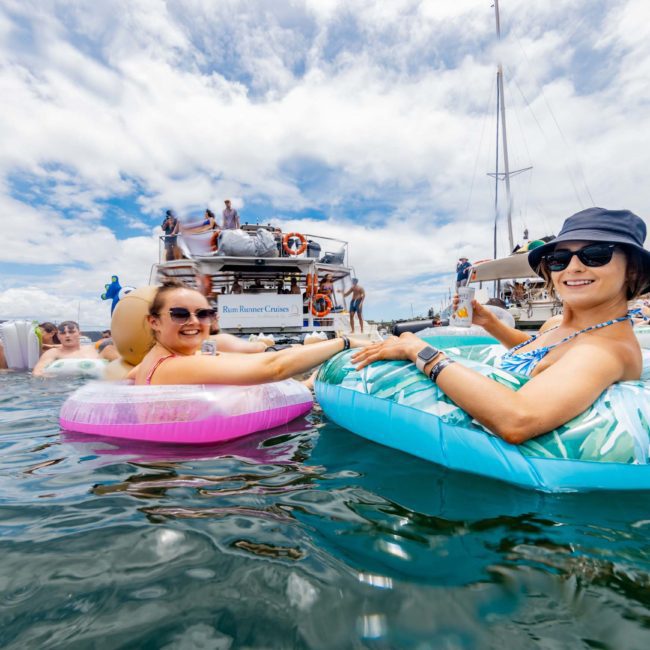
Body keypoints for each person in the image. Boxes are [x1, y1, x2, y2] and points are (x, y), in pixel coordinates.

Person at [353, 207, 650, 444]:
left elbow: (517, 420)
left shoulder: (603, 349)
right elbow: (542, 351)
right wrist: (490, 323)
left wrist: (422, 352)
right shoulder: (560, 324)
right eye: (559, 259)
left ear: (632, 268)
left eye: (596, 255)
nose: (573, 267)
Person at [129, 281, 368, 387]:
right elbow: (274, 368)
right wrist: (344, 342)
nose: (194, 322)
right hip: (196, 474)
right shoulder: (171, 366)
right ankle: (308, 384)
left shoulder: (152, 361)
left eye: (203, 314)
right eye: (179, 314)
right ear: (154, 322)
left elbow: (133, 373)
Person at [33, 321, 101, 377]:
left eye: (71, 332)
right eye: (63, 333)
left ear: (79, 334)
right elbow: (38, 371)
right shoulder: (53, 352)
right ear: (58, 336)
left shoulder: (92, 349)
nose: (67, 335)